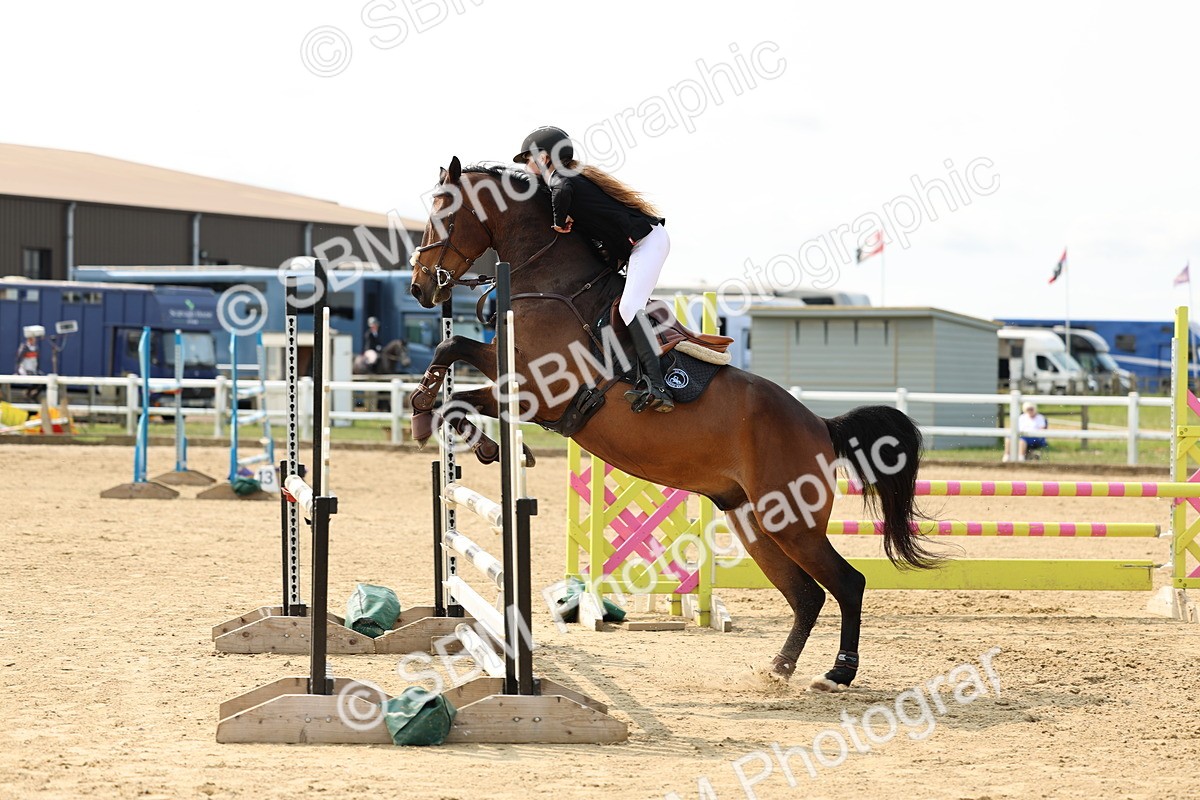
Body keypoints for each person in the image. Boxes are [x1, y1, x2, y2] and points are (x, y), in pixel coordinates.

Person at [513, 125, 674, 413]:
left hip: (647, 243)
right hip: (642, 244)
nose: (527, 164)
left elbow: (562, 191)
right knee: (623, 306)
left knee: (629, 307)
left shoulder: (561, 178)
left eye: (529, 158)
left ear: (546, 158)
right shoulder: (568, 176)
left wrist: (559, 220)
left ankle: (659, 385)